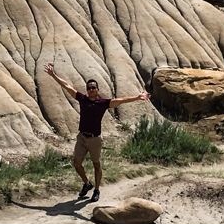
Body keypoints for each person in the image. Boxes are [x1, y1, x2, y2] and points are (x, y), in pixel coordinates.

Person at [45, 64, 150, 200]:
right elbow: (67, 86)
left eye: (93, 88)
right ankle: (87, 184)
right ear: (87, 90)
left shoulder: (103, 103)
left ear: (97, 89)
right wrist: (53, 75)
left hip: (95, 139)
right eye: (89, 88)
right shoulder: (82, 99)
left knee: (96, 165)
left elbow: (120, 101)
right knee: (77, 163)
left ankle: (97, 190)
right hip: (82, 137)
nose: (91, 90)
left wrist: (137, 97)